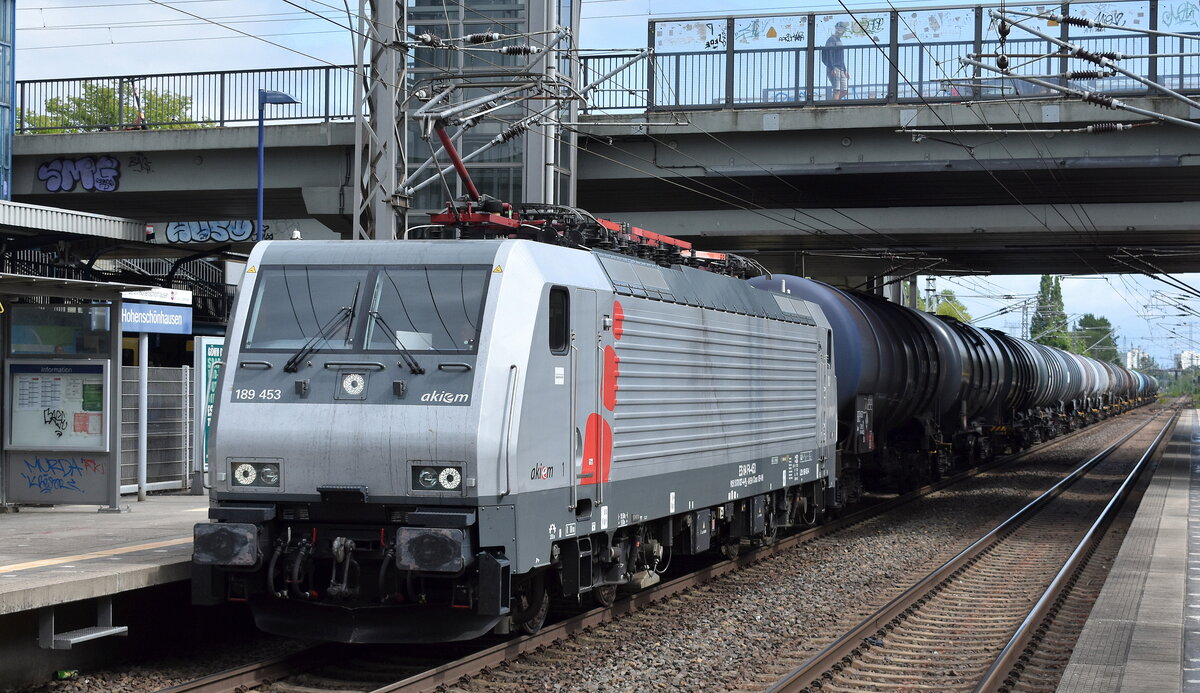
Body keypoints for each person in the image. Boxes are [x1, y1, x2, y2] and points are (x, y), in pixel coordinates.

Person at [823, 21, 851, 100]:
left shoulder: (839, 40)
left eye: (843, 29)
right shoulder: (831, 39)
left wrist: (845, 70)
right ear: (836, 28)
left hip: (841, 68)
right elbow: (829, 53)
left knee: (844, 91)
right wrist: (832, 68)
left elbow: (841, 57)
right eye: (841, 28)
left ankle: (834, 102)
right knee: (837, 90)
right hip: (834, 67)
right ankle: (834, 104)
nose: (842, 31)